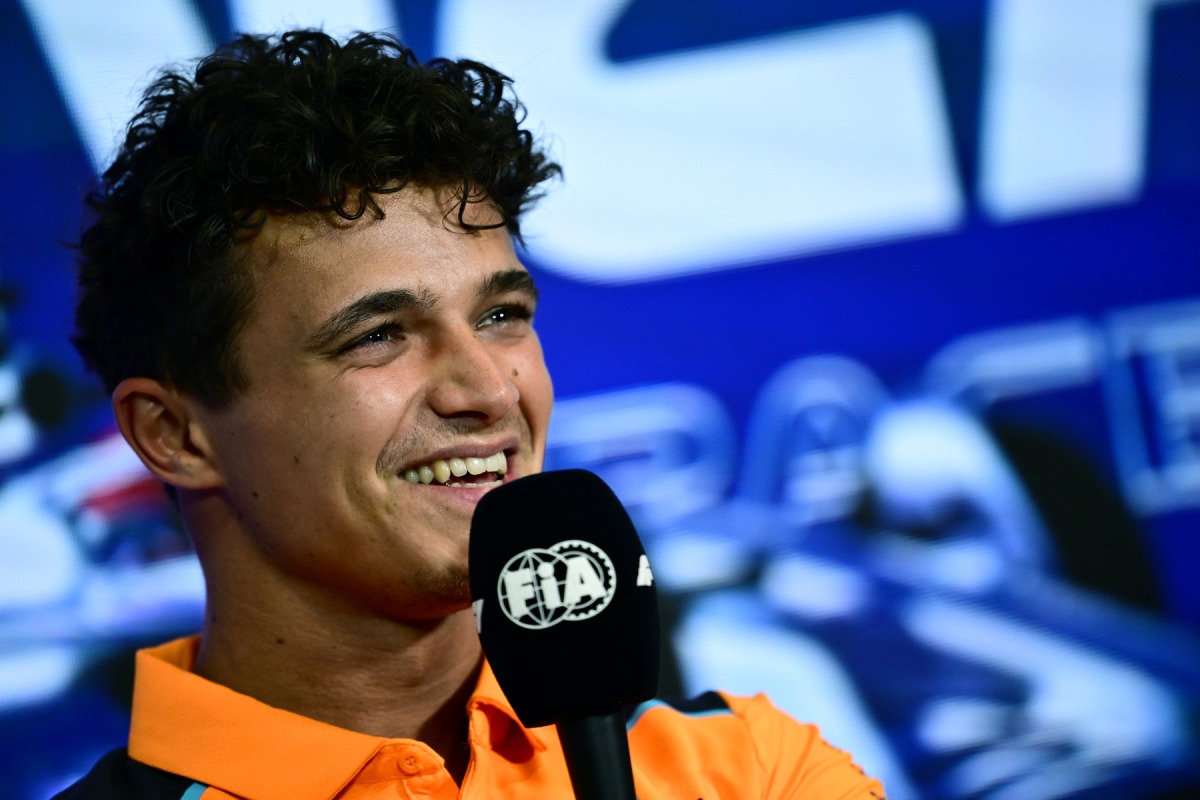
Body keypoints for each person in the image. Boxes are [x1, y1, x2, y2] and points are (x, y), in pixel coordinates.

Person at [56, 29, 887, 799]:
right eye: (379, 336)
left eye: (500, 316)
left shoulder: (750, 772)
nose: (490, 391)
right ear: (175, 435)